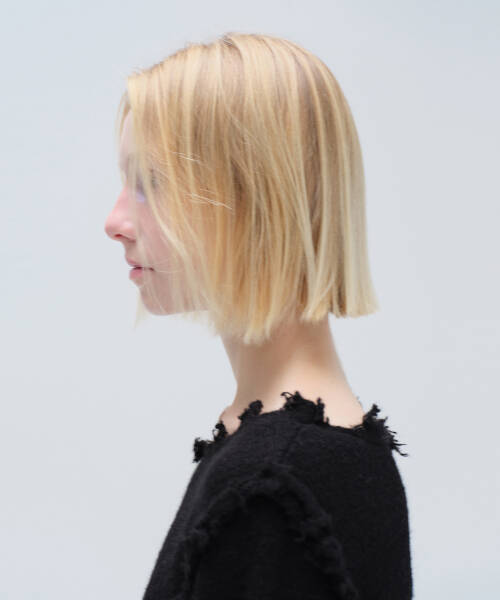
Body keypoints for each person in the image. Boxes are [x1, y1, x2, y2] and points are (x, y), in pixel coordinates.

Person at [105, 32, 413, 600]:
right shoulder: (292, 457)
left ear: (253, 198)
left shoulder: (276, 480)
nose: (115, 221)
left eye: (152, 183)